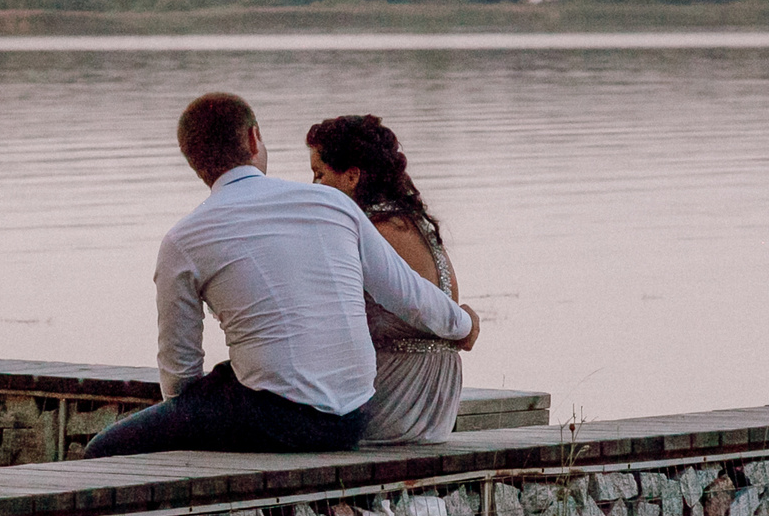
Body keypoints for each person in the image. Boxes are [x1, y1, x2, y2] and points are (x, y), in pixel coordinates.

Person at [85, 92, 478, 458]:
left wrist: (190, 419)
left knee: (102, 451)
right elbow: (408, 296)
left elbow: (180, 371)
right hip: (353, 418)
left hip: (276, 422)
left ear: (191, 159)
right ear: (254, 139)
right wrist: (463, 325)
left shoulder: (183, 240)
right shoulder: (332, 204)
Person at [304, 114, 465, 444]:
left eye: (319, 174)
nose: (314, 187)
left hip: (398, 395)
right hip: (439, 395)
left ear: (352, 176)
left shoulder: (371, 232)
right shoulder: (413, 223)